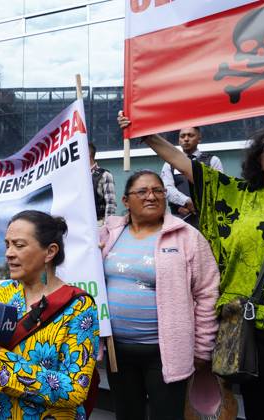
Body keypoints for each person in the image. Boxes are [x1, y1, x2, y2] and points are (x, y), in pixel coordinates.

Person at [123, 116, 264, 419]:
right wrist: (143, 132)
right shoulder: (235, 195)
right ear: (258, 159)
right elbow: (182, 164)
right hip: (254, 335)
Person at [100, 170, 219, 419]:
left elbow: (207, 293)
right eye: (142, 192)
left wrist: (203, 347)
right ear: (125, 201)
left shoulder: (187, 237)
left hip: (166, 353)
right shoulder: (108, 235)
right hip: (117, 352)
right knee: (126, 414)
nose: (151, 197)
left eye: (158, 191)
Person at [0, 210, 100, 420]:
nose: (8, 253)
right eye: (7, 244)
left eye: (19, 245)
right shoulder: (5, 292)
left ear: (50, 252)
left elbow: (74, 389)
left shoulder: (78, 306)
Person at [158, 127, 223, 227]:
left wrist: (198, 206)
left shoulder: (212, 160)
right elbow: (166, 188)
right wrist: (185, 201)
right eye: (182, 136)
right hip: (179, 219)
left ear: (199, 139)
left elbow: (218, 188)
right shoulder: (170, 163)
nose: (186, 139)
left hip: (208, 220)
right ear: (179, 140)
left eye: (190, 135)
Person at [89, 142, 117, 224]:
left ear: (88, 153)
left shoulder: (105, 175)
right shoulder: (77, 175)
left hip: (98, 223)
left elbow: (111, 203)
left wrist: (106, 227)